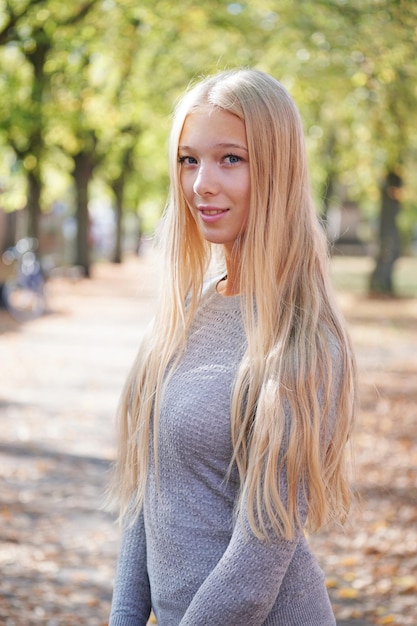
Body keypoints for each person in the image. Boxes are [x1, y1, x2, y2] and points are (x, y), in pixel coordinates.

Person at [108, 68, 357, 626]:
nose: (201, 184)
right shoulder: (188, 312)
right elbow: (150, 493)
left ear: (276, 169)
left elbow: (256, 565)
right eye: (189, 160)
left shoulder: (305, 341)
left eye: (230, 159)